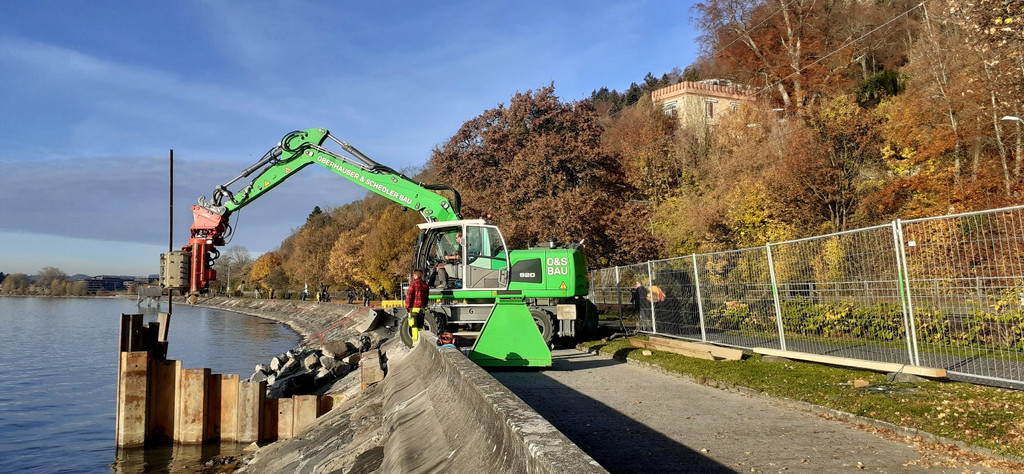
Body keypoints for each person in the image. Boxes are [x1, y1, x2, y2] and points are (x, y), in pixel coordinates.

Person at [405, 269, 430, 346]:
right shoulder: (425, 285)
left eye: (413, 275)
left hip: (414, 309)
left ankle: (415, 343)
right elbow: (426, 298)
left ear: (415, 275)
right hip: (422, 310)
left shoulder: (413, 284)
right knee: (420, 327)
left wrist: (407, 307)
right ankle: (420, 343)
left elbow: (409, 296)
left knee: (414, 327)